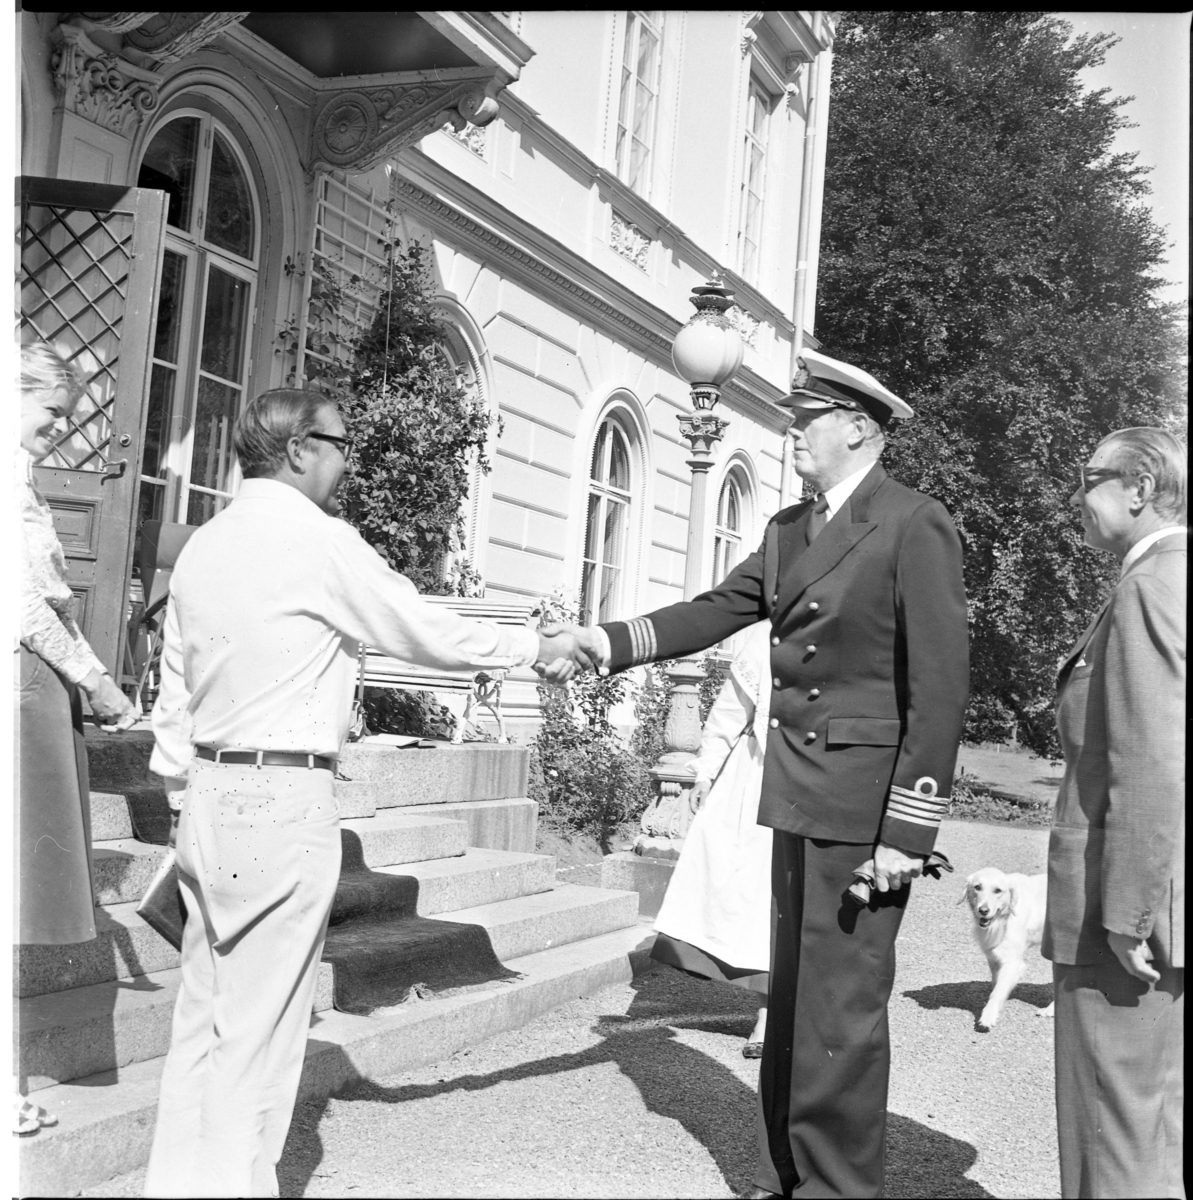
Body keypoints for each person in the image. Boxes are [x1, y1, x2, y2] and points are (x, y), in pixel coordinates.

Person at [143, 388, 587, 1198]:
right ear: (300, 449)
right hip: (280, 796)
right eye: (342, 446)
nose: (349, 464)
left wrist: (181, 799)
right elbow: (421, 628)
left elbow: (174, 694)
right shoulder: (318, 541)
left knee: (202, 1018)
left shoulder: (203, 545)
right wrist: (536, 645)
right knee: (262, 1028)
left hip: (206, 792)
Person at [550, 347, 969, 1198]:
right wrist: (606, 642)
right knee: (797, 1005)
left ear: (858, 428)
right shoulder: (787, 530)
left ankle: (838, 1187)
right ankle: (796, 1176)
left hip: (861, 814)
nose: (791, 436)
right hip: (794, 795)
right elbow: (713, 610)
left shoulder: (912, 522)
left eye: (804, 420)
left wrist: (907, 833)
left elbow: (939, 688)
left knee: (839, 1012)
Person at [1045, 426, 1185, 1200]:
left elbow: (1153, 757)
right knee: (1149, 1137)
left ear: (1137, 486)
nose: (1078, 496)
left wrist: (1126, 911)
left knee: (1112, 1147)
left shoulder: (1151, 584)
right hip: (1158, 905)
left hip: (1122, 914)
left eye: (1088, 477)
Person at [15, 342, 139, 1135]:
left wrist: (95, 677)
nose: (60, 430)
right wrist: (94, 679)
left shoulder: (20, 477)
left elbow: (47, 605)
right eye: (52, 411)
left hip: (38, 680)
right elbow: (20, 605)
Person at [650, 620, 773, 1055]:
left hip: (820, 784)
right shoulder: (766, 637)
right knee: (755, 893)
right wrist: (705, 771)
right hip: (757, 777)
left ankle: (794, 1014)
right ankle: (766, 1015)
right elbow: (729, 712)